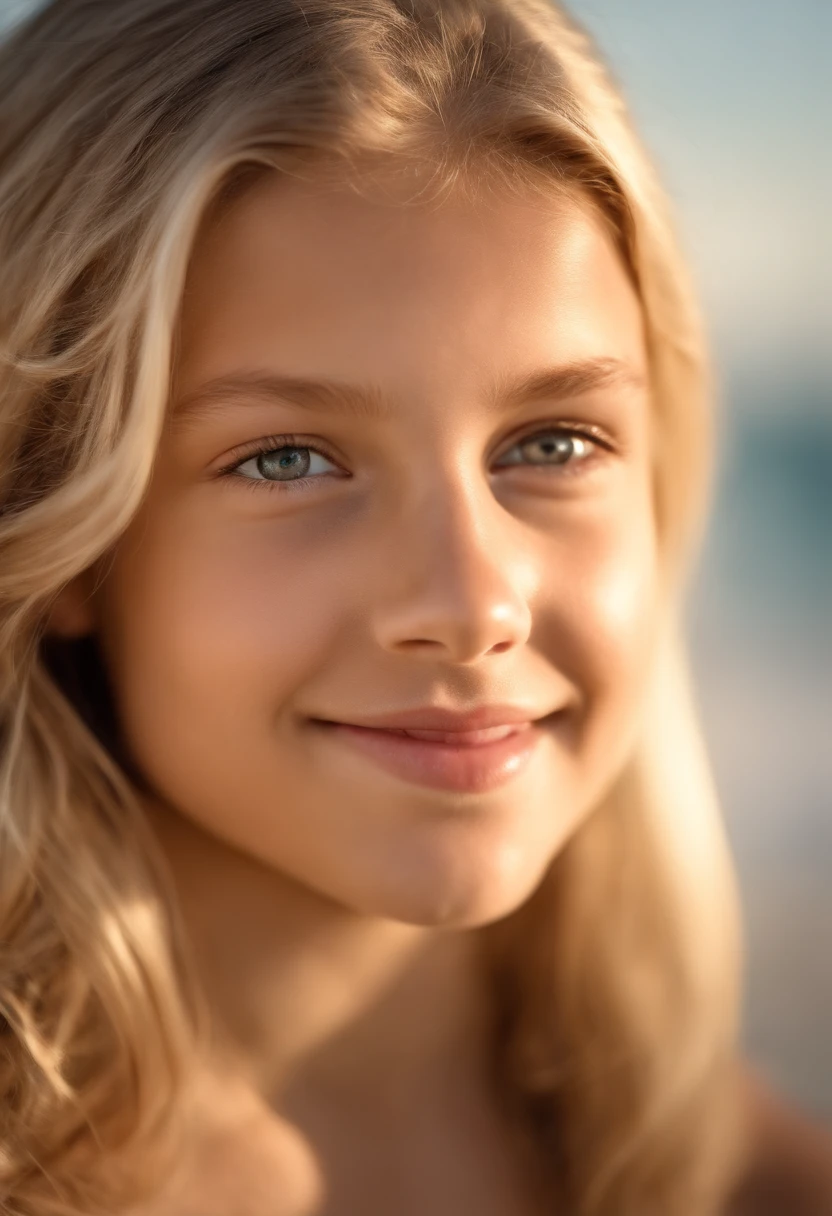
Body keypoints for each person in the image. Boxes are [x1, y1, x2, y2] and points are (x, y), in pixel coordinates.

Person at [0, 0, 828, 1213]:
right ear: (60, 526)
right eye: (286, 459)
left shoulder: (745, 1181)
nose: (471, 601)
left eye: (552, 439)